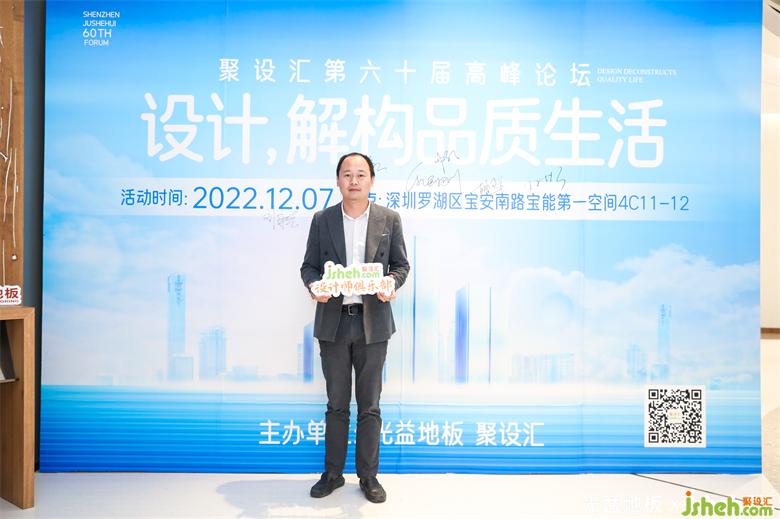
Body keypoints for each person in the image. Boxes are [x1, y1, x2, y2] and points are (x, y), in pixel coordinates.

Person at [300, 152, 409, 503]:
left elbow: (401, 265)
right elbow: (309, 267)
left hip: (373, 323)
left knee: (370, 405)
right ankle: (332, 474)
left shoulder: (388, 219)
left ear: (372, 180)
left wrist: (391, 282)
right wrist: (314, 285)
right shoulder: (323, 220)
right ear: (338, 180)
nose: (354, 180)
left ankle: (369, 476)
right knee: (336, 404)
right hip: (333, 323)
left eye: (361, 174)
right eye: (347, 174)